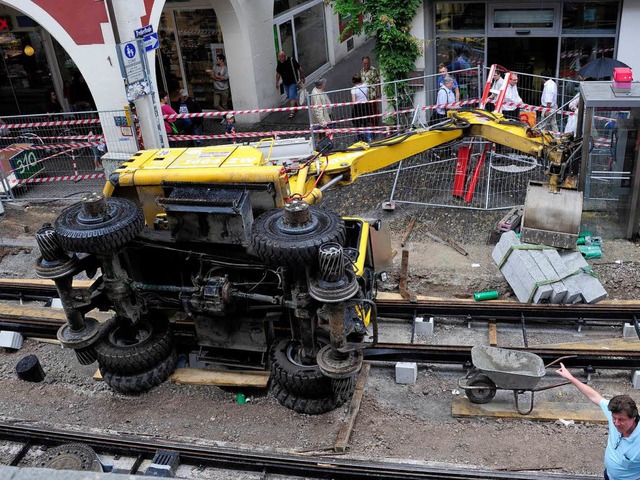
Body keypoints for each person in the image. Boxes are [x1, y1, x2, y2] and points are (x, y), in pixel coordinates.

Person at [557, 363, 640, 480]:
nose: (616, 423)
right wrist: (570, 377)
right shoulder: (616, 416)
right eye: (614, 418)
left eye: (621, 420)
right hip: (608, 475)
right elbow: (594, 396)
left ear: (634, 417)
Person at [276, 51, 305, 119]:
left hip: (293, 82)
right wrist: (277, 82)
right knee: (289, 96)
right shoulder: (280, 63)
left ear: (284, 57)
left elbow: (300, 68)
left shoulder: (291, 60)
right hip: (286, 83)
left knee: (292, 96)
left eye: (280, 58)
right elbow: (278, 73)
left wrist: (302, 77)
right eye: (279, 58)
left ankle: (292, 112)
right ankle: (295, 105)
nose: (279, 60)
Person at [351, 72, 371, 143]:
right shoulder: (365, 86)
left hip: (358, 107)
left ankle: (360, 138)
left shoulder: (354, 89)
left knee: (358, 123)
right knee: (366, 122)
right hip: (365, 105)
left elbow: (353, 101)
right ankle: (369, 137)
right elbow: (367, 96)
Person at [360, 56, 381, 125]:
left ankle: (375, 124)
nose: (366, 65)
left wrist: (378, 92)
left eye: (367, 63)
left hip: (372, 94)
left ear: (369, 62)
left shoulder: (373, 70)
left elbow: (377, 81)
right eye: (364, 63)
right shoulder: (362, 71)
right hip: (365, 95)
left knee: (373, 110)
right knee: (367, 111)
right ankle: (370, 124)